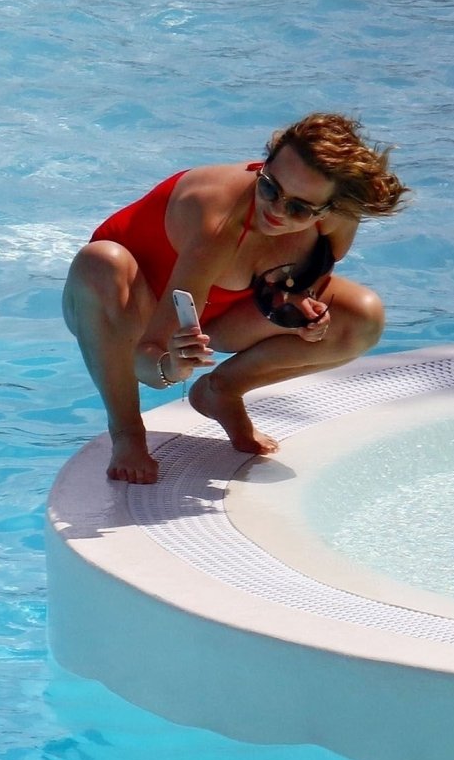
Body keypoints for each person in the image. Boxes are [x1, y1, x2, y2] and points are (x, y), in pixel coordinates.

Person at [63, 113, 409, 483]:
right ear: (264, 165)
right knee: (100, 263)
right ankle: (127, 432)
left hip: (220, 315)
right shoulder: (218, 223)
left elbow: (303, 281)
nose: (276, 210)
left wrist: (298, 308)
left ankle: (222, 391)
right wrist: (173, 367)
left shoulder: (339, 219)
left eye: (298, 209)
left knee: (361, 319)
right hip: (127, 310)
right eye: (270, 188)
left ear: (332, 207)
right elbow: (145, 361)